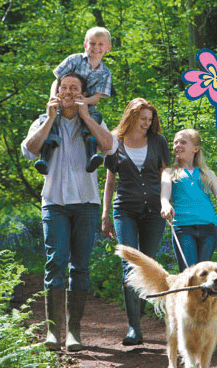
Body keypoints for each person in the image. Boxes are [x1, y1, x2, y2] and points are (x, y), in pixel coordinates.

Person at [21, 73, 117, 351]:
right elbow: (29, 150)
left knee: (81, 266)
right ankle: (54, 333)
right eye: (64, 87)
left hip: (87, 202)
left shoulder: (95, 119)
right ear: (57, 91)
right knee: (56, 261)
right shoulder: (43, 121)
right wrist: (51, 118)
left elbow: (109, 147)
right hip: (54, 202)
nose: (68, 92)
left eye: (74, 88)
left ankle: (74, 331)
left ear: (83, 93)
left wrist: (86, 115)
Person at [101, 98, 170, 346]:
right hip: (124, 210)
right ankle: (134, 328)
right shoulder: (114, 142)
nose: (147, 123)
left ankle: (138, 316)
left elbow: (166, 175)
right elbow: (110, 181)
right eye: (143, 119)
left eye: (150, 119)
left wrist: (166, 202)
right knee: (130, 265)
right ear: (131, 117)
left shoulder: (158, 142)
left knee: (147, 267)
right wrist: (105, 213)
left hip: (154, 211)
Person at [35, 27, 113, 175]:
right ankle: (44, 158)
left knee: (94, 119)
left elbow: (97, 96)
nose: (96, 48)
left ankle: (92, 156)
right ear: (85, 44)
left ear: (108, 48)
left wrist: (84, 102)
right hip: (64, 101)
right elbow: (57, 80)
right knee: (51, 121)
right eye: (92, 43)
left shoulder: (105, 72)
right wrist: (54, 97)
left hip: (86, 104)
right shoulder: (75, 60)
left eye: (100, 44)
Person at [160, 129, 217, 272]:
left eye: (183, 142)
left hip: (207, 226)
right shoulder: (169, 173)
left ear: (195, 148)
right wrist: (165, 205)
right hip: (183, 226)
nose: (177, 145)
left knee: (204, 275)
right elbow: (164, 196)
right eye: (175, 142)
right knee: (190, 274)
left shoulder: (207, 173)